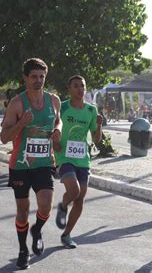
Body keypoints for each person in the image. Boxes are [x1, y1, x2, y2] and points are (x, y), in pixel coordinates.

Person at [0, 58, 62, 270]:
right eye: (34, 76)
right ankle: (23, 250)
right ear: (25, 78)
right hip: (20, 165)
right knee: (23, 210)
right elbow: (4, 137)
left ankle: (37, 230)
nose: (38, 80)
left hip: (44, 162)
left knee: (46, 205)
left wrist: (58, 129)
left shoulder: (53, 100)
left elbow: (58, 119)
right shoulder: (17, 103)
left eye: (42, 77)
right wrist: (22, 123)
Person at [54, 75, 102, 248]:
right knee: (73, 191)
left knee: (80, 198)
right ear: (69, 89)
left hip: (83, 159)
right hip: (64, 156)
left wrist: (99, 126)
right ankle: (64, 204)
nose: (80, 89)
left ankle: (66, 235)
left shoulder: (91, 110)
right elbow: (54, 127)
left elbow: (96, 140)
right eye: (76, 86)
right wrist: (54, 141)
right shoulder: (63, 107)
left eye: (82, 86)